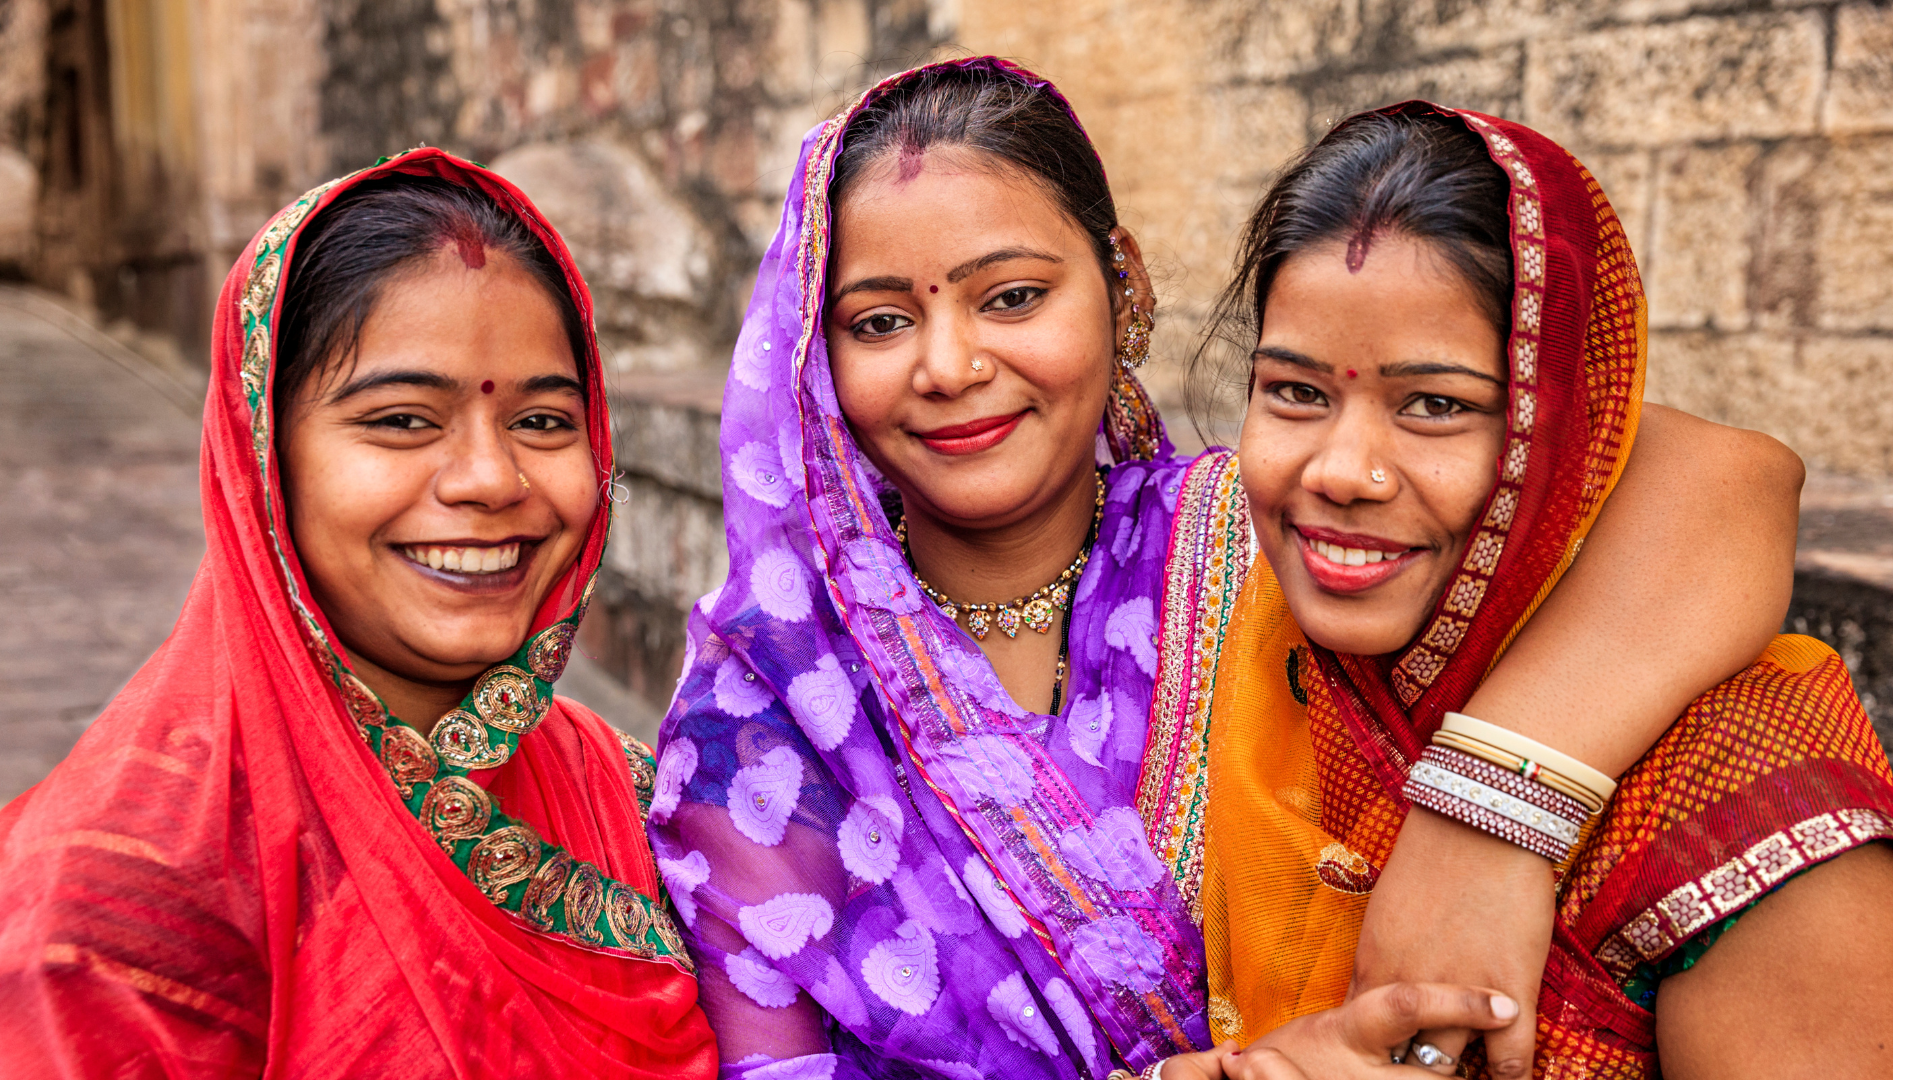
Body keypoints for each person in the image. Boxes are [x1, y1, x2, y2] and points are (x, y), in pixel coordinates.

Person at [646, 58, 1806, 1077]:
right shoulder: (764, 710)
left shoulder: (1278, 536)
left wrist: (1487, 822)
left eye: (1013, 297)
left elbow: (1723, 484)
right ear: (809, 355)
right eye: (879, 320)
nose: (949, 365)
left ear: (1123, 285)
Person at [1177, 103, 1892, 1078]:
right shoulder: (1254, 635)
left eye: (1435, 405)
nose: (1342, 469)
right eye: (1296, 392)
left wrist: (1491, 808)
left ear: (1562, 437)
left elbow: (1742, 472)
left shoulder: (1742, 791)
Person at [0, 150, 718, 1077]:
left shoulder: (625, 790)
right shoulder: (115, 913)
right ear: (265, 462)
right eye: (402, 420)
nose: (492, 481)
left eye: (542, 422)